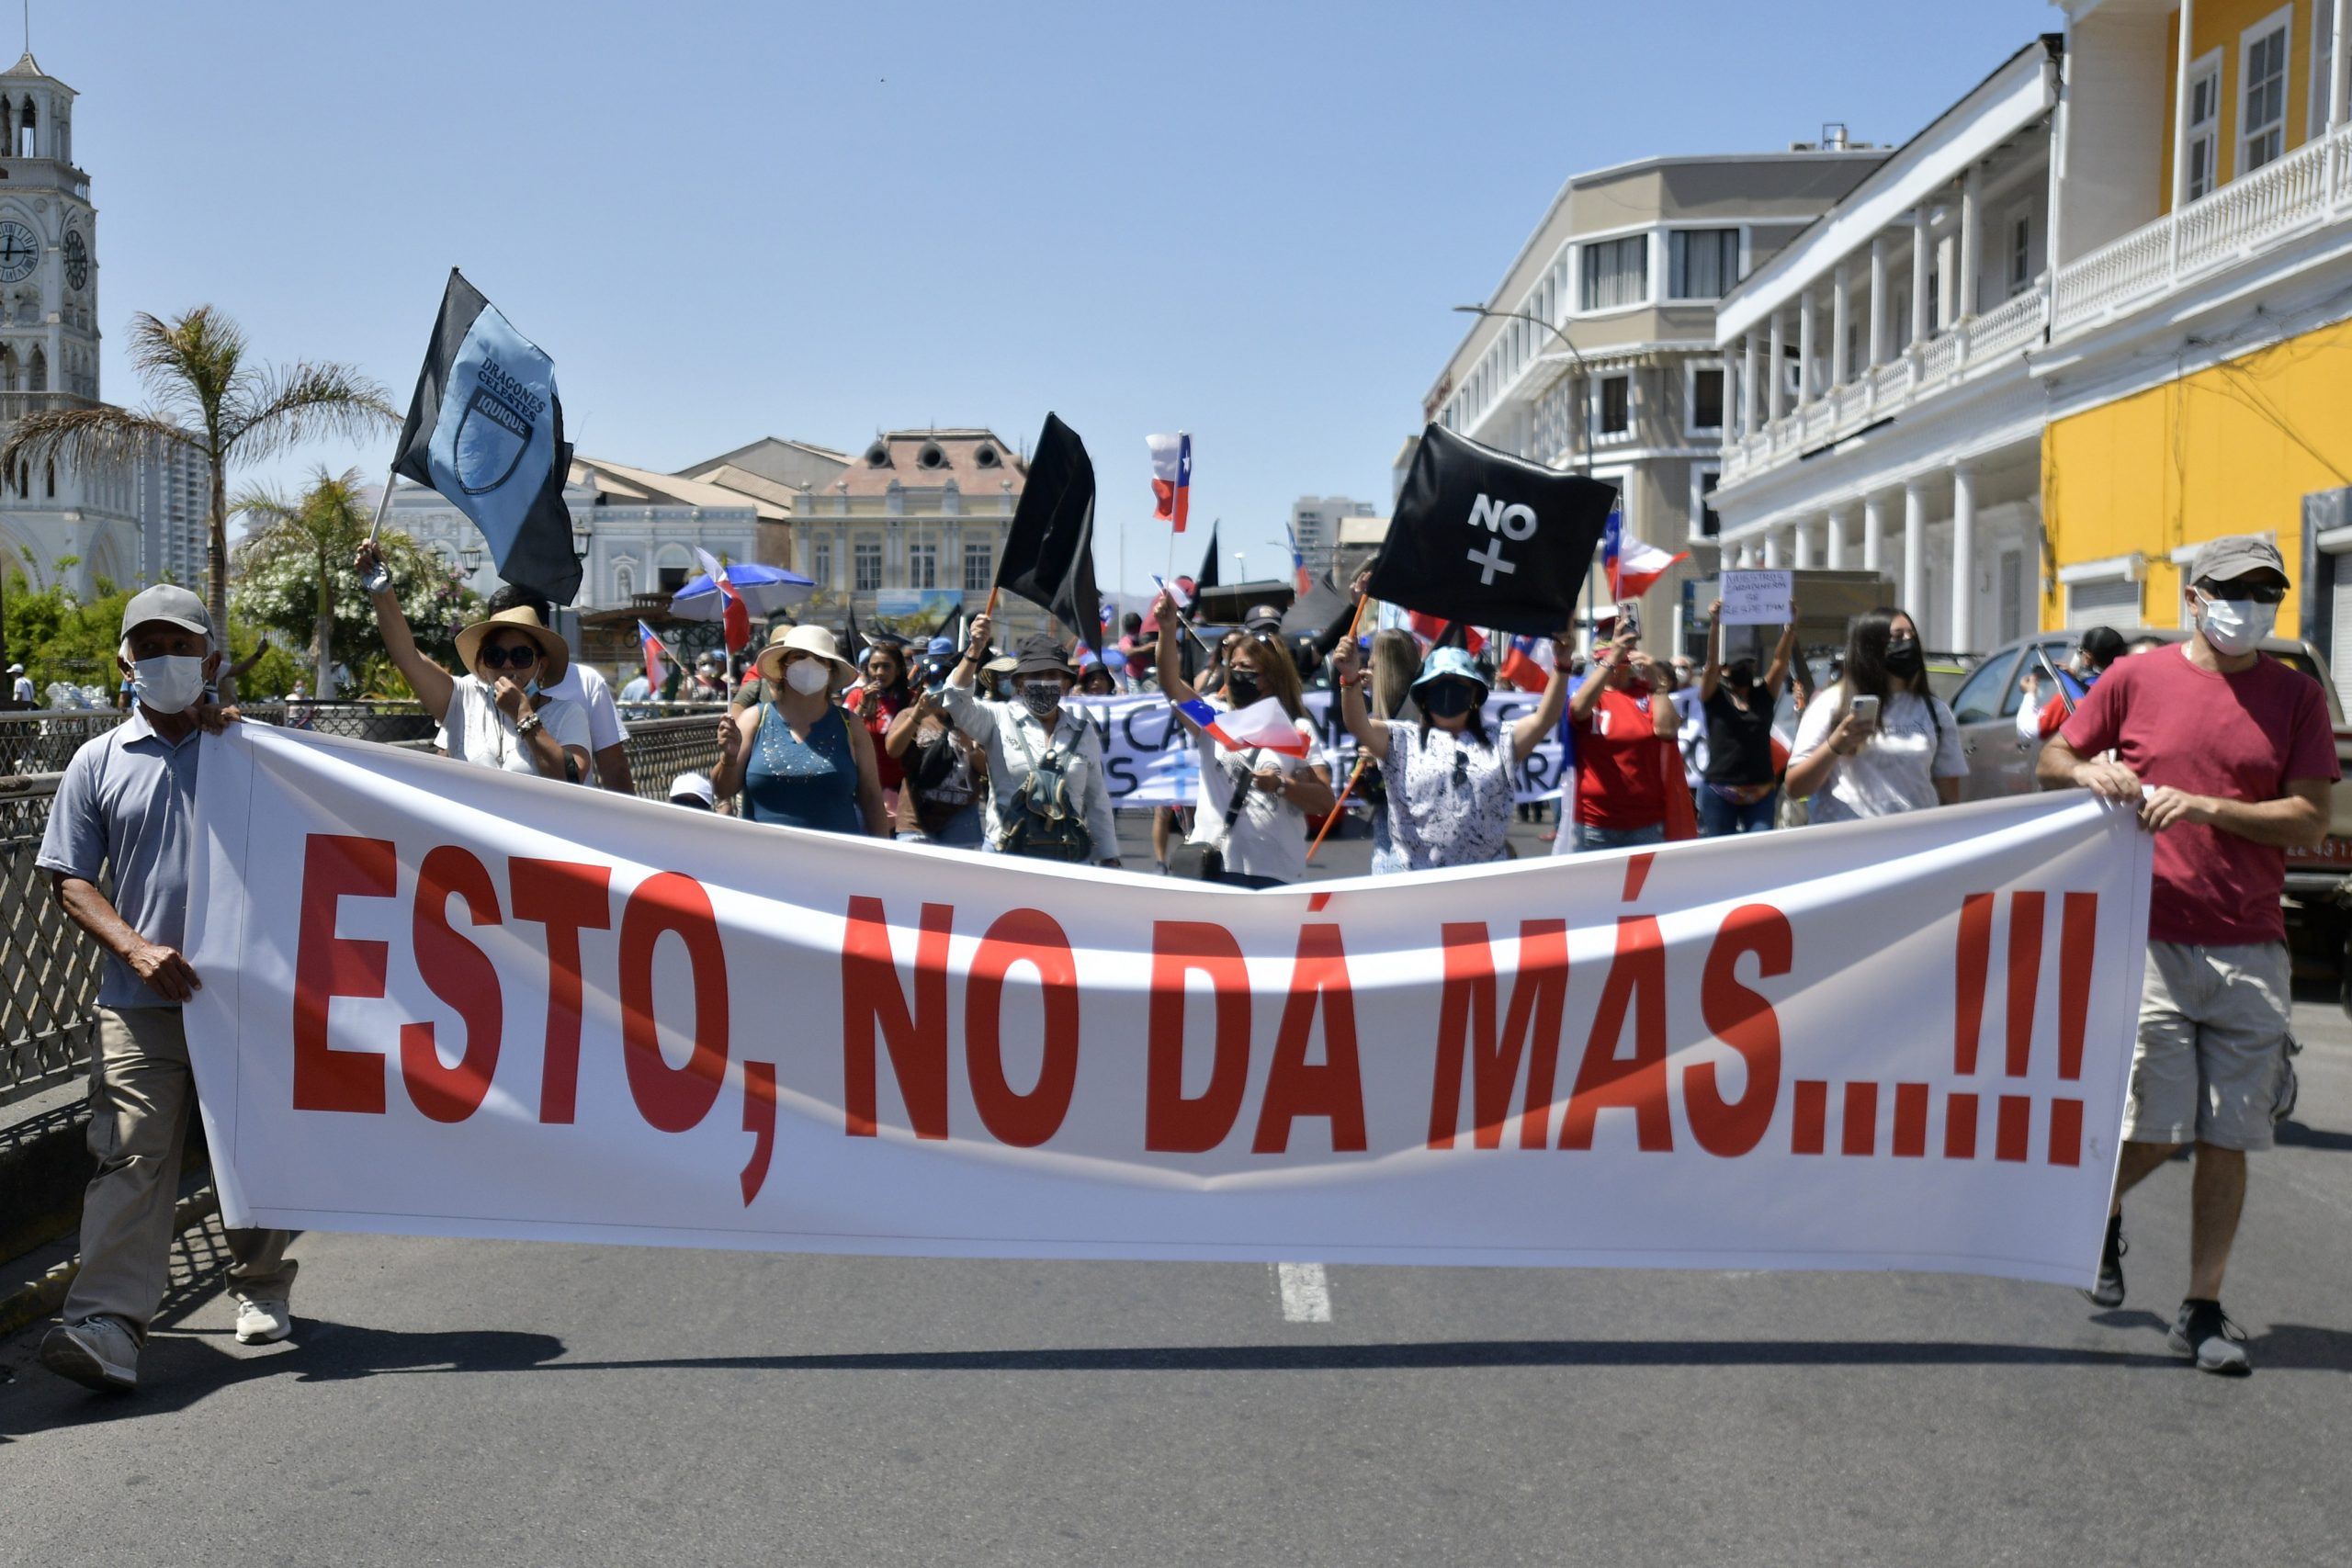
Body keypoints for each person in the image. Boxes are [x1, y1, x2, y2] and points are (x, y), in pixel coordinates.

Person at [2037, 536, 2336, 1375]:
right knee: (2160, 1123)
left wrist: (2207, 806)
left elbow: (2312, 816)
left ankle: (2201, 1307)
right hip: (2152, 934)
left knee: (2229, 1133)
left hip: (2250, 944)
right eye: (2234, 589)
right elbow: (2052, 754)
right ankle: (2097, 1210)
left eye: (2266, 591)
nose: (2251, 605)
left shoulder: (2295, 697)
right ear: (2196, 597)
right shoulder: (2136, 678)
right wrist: (2087, 773)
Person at [35, 585, 295, 1392]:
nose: (164, 661)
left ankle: (259, 1283)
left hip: (244, 997)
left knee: (247, 1149)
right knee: (131, 1154)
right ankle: (107, 1322)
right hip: (140, 1000)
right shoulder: (97, 762)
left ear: (211, 660)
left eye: (179, 646)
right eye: (147, 647)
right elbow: (71, 879)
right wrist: (137, 948)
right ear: (124, 664)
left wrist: (244, 735)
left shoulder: (253, 749)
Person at [1332, 629, 1570, 872]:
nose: (1447, 692)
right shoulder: (1402, 739)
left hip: (1484, 884)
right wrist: (1349, 680)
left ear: (1474, 693)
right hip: (1417, 883)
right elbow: (1358, 724)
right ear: (1423, 695)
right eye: (1438, 684)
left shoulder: (1500, 739)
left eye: (1457, 683)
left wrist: (1562, 666)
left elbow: (1544, 719)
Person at [356, 541, 592, 783]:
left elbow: (570, 778)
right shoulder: (462, 699)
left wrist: (524, 716)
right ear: (482, 665)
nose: (508, 665)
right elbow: (408, 657)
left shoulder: (567, 714)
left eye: (521, 655)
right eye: (495, 656)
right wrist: (382, 590)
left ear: (541, 664)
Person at [1152, 592, 1336, 887]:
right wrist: (1167, 628)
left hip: (1274, 871)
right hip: (1214, 865)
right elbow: (1170, 683)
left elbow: (1325, 801)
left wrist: (1281, 785)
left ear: (1271, 677)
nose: (1238, 674)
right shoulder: (1214, 716)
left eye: (1248, 669)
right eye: (1234, 667)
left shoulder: (1298, 729)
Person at [939, 614, 1120, 864]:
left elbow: (1097, 799)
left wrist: (1110, 857)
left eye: (1052, 675)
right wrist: (974, 650)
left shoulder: (1083, 731)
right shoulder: (998, 719)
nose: (1044, 682)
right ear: (1019, 684)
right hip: (1006, 856)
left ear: (1066, 684)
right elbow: (955, 701)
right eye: (1035, 674)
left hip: (1069, 857)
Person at [1782, 607, 1962, 822]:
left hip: (1916, 840)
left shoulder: (1935, 711)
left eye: (1911, 635)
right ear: (1871, 646)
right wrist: (1836, 745)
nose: (1908, 642)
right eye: (1897, 637)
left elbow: (1950, 795)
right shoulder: (1830, 704)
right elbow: (1796, 788)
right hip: (1851, 843)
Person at [713, 625, 887, 836]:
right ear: (783, 667)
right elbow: (723, 790)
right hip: (763, 861)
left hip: (835, 863)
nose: (809, 663)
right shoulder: (753, 719)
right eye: (799, 656)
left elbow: (871, 798)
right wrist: (728, 759)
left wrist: (884, 860)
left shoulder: (851, 725)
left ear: (831, 671)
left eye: (819, 659)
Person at [482, 583, 633, 794]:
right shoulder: (474, 687)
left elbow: (613, 767)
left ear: (541, 633)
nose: (507, 663)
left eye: (520, 651)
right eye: (496, 646)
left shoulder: (586, 682)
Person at [1562, 624, 1683, 852]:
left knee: (1644, 888)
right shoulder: (1589, 693)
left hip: (1645, 822)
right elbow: (1578, 711)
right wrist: (1614, 656)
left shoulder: (1647, 693)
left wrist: (1657, 682)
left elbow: (1667, 731)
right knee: (1595, 888)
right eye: (1613, 641)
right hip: (1595, 822)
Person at [1696, 597, 1800, 836]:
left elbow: (1780, 661)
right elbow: (1710, 664)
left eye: (1749, 663)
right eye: (1737, 664)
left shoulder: (1764, 695)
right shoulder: (1714, 696)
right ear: (1725, 670)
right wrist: (1715, 624)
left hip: (1761, 792)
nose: (1744, 668)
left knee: (1759, 850)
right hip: (1720, 790)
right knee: (1720, 854)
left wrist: (1791, 627)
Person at [885, 681, 988, 847]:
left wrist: (970, 747)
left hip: (961, 820)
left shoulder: (972, 719)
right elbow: (893, 750)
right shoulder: (908, 715)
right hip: (916, 819)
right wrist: (917, 717)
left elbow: (986, 769)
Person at [2017, 625, 2130, 741]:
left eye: (2080, 651)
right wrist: (2079, 679)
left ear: (2088, 657)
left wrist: (2029, 693)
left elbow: (2029, 730)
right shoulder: (2129, 689)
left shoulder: (2072, 697)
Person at [847, 636, 914, 810]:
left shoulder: (912, 701)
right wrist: (863, 705)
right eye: (874, 666)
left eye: (886, 666)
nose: (879, 672)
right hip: (862, 787)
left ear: (899, 669)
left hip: (904, 789)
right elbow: (843, 733)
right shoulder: (856, 696)